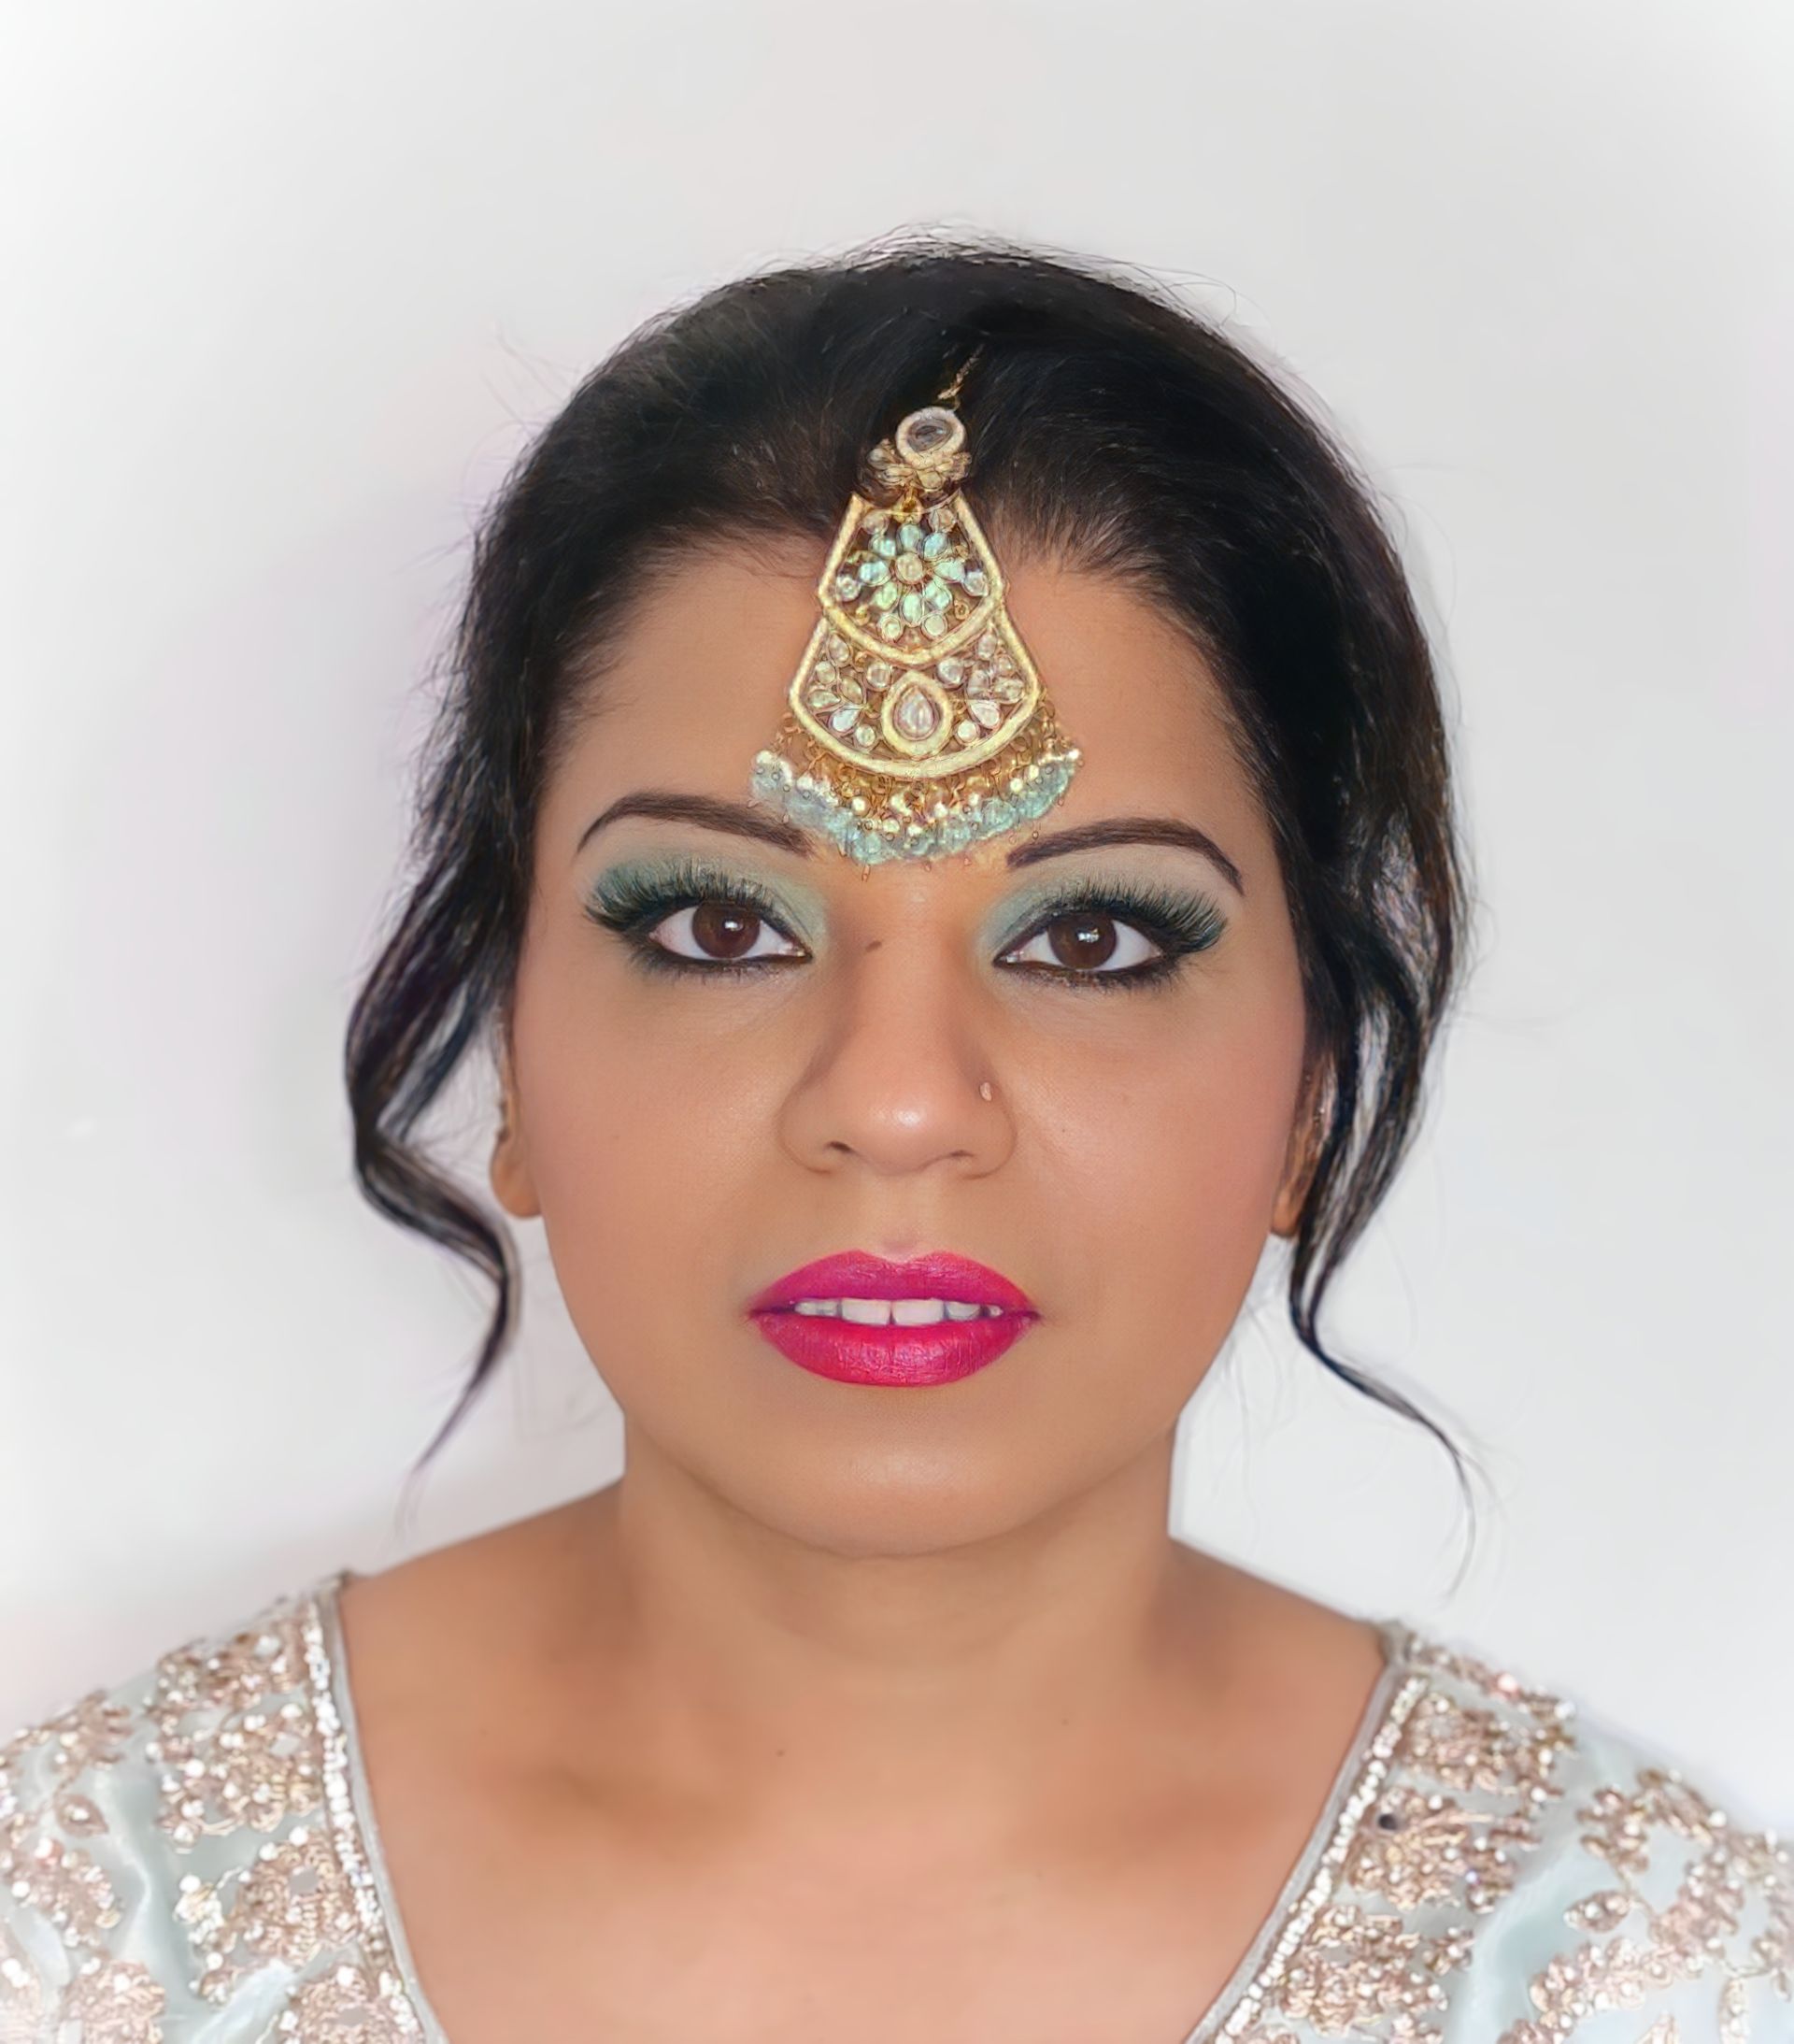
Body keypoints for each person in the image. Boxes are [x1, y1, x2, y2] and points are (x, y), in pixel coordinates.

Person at [3, 239, 1786, 2044]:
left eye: (1091, 939)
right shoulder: (89, 1936)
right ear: (511, 1052)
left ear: (1313, 1087)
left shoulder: (1638, 1982)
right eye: (719, 928)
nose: (899, 1102)